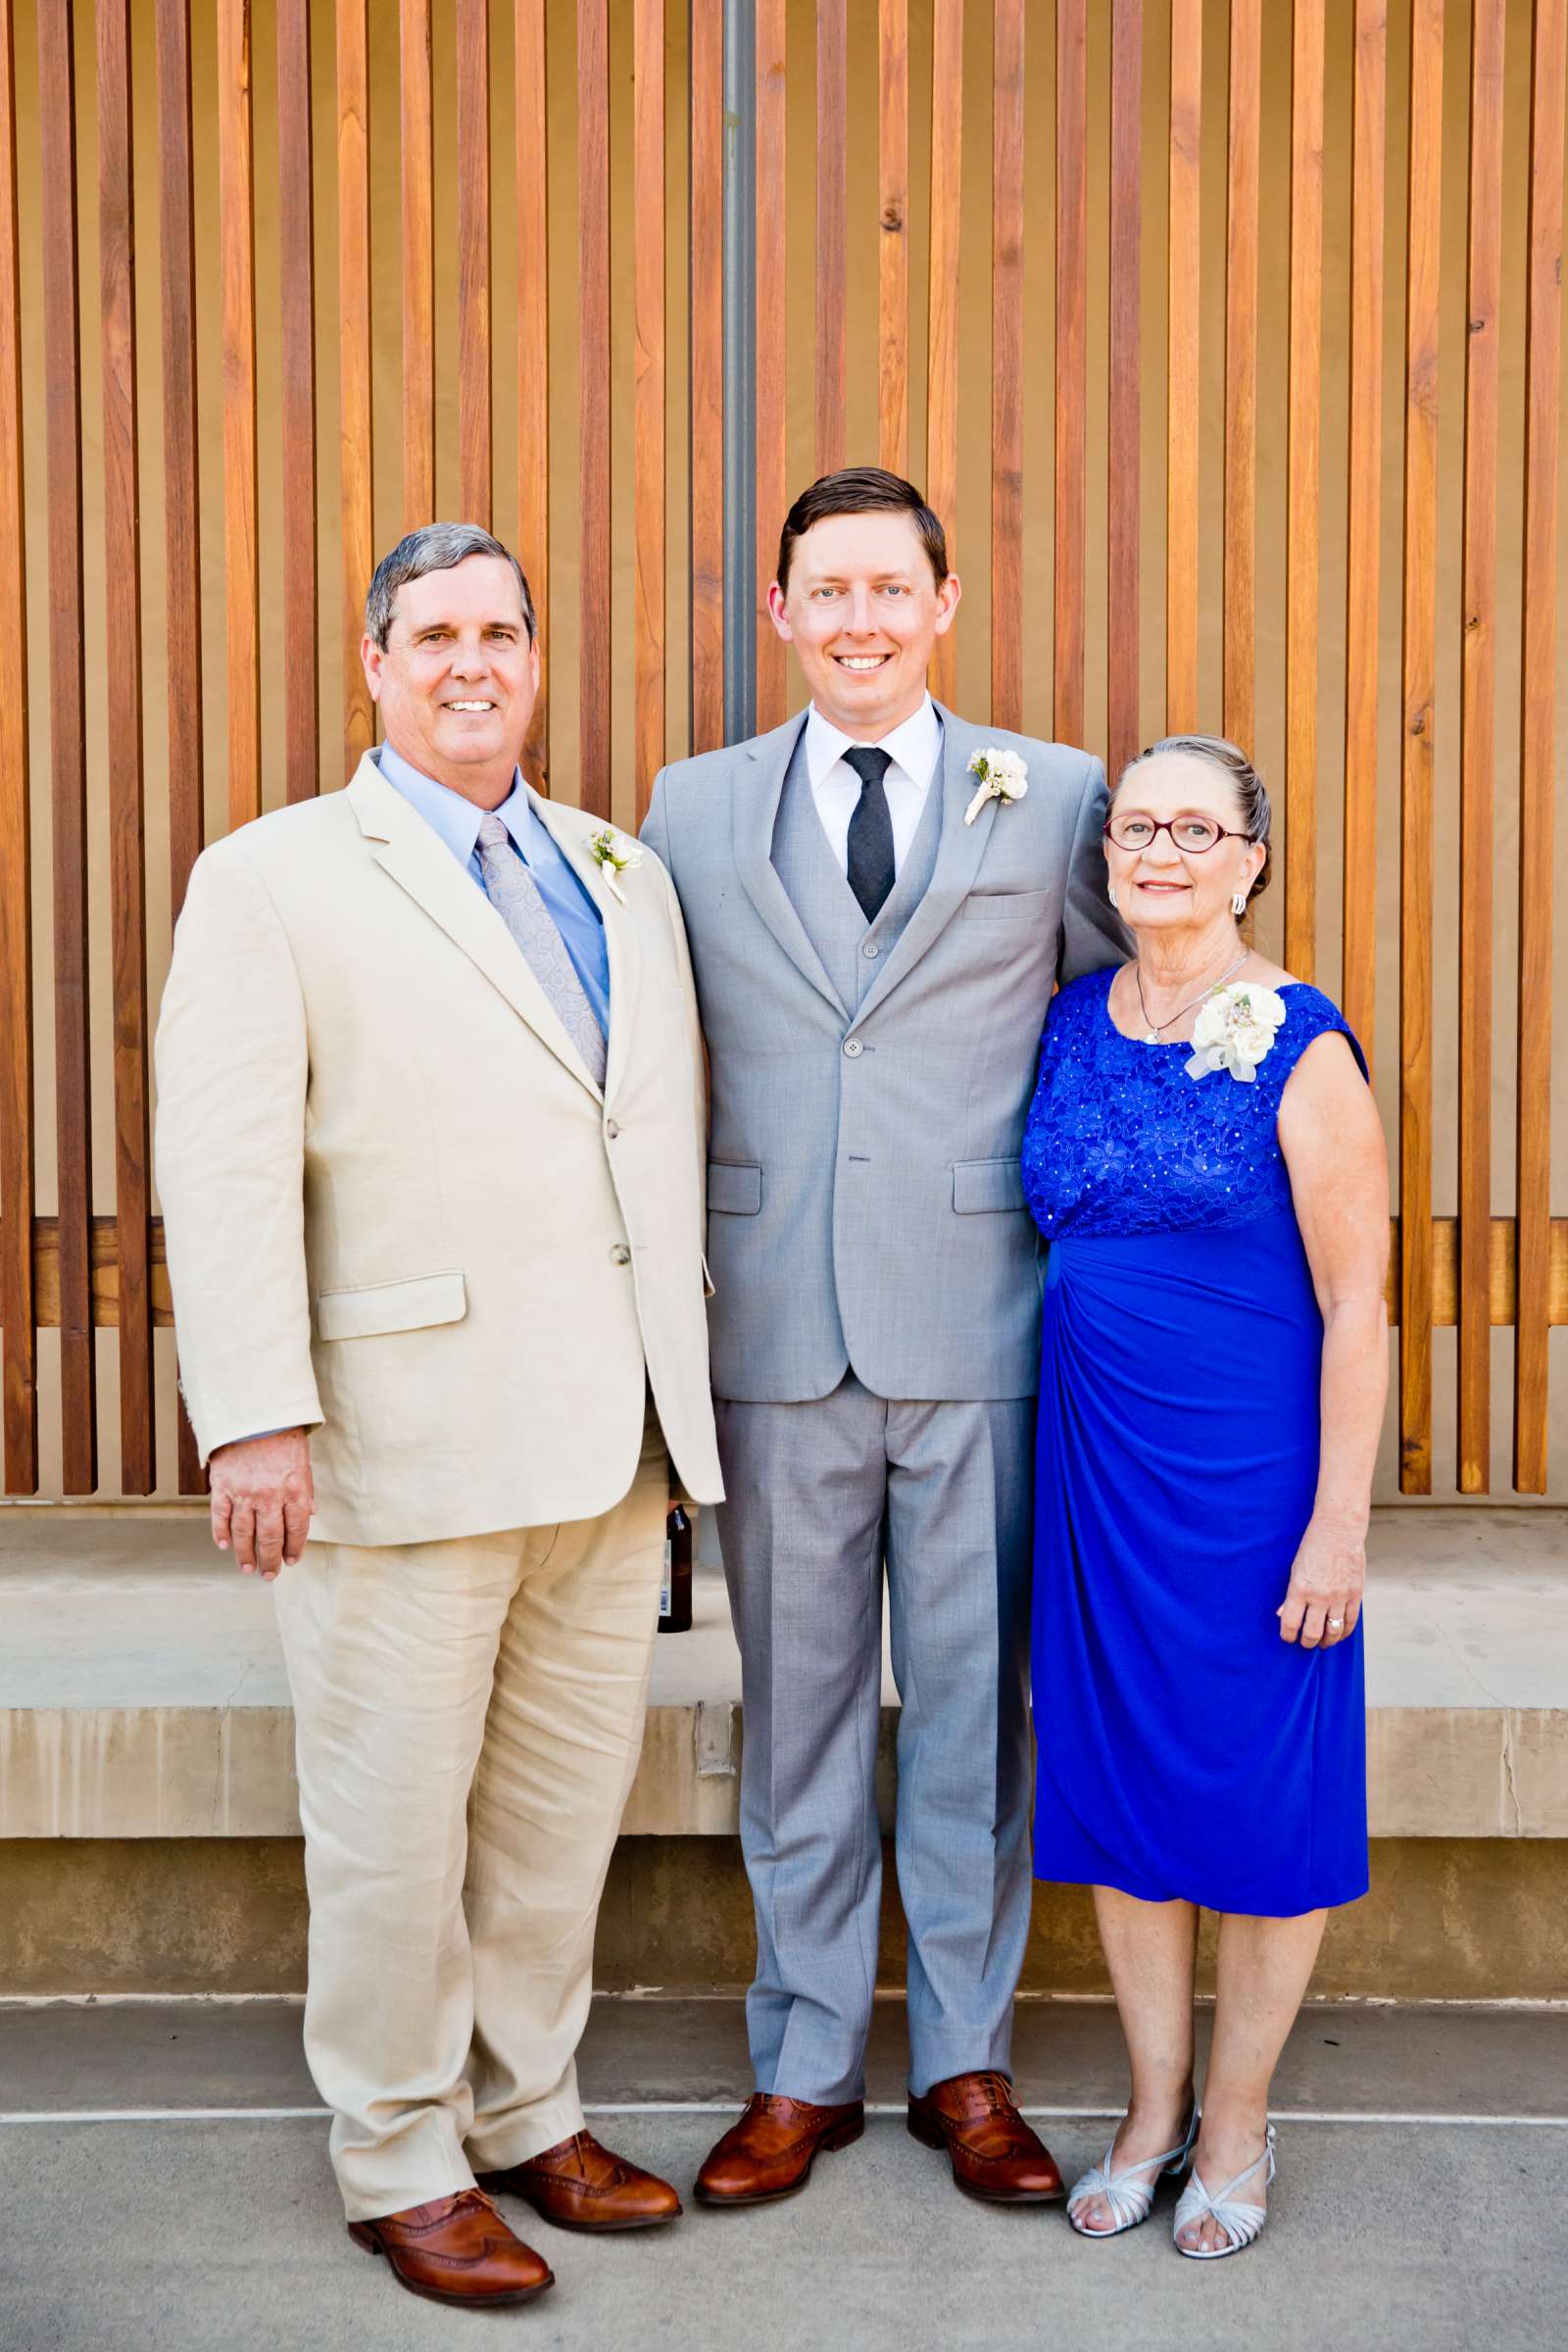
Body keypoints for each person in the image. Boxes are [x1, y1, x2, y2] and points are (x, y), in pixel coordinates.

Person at [155, 522, 722, 2310]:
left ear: (534, 659)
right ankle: (396, 2154)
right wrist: (255, 1415)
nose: (472, 660)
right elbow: (227, 1169)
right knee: (393, 1836)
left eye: (502, 630)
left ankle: (527, 2109)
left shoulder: (620, 870)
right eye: (435, 634)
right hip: (393, 1444)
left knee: (557, 1829)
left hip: (609, 1446)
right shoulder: (272, 876)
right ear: (377, 667)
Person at [642, 467, 1126, 2208]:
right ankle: (805, 2060)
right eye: (821, 591)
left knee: (974, 1713)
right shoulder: (687, 810)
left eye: (885, 589)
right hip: (772, 1318)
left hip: (980, 1313)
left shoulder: (1055, 793)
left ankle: (969, 2063)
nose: (855, 619)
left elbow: (1108, 1017)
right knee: (800, 1710)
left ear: (941, 606)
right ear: (779, 614)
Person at [1021, 734, 1387, 2260]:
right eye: (1136, 824)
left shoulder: (1301, 1043)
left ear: (1251, 858)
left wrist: (1339, 1525)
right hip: (1095, 1476)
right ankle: (1154, 2106)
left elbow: (1361, 1300)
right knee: (1118, 1794)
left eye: (1196, 827)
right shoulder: (1065, 1021)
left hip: (1248, 1484)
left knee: (1253, 1795)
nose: (1157, 849)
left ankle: (1238, 2121)